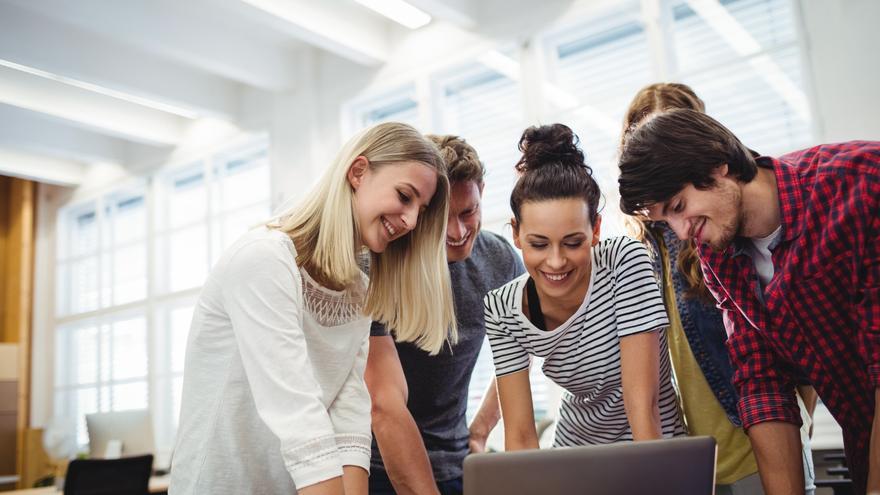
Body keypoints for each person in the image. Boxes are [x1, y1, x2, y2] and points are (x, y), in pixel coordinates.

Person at [170, 122, 457, 495]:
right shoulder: (264, 260)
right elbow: (296, 413)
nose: (412, 221)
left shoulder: (360, 290)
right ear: (358, 172)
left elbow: (348, 416)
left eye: (421, 209)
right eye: (405, 196)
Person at [618, 109, 880, 494]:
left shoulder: (861, 184)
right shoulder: (717, 257)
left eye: (678, 206)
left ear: (717, 164)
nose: (682, 231)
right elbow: (761, 382)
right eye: (665, 221)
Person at [484, 123, 685, 452]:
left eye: (572, 242)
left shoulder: (624, 261)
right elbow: (520, 435)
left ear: (595, 229)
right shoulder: (503, 309)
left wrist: (655, 478)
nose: (556, 261)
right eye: (538, 244)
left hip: (654, 449)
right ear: (517, 234)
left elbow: (643, 405)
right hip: (575, 455)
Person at [365, 135, 524, 495]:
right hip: (378, 465)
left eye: (469, 212)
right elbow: (383, 404)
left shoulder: (501, 263)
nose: (457, 231)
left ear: (482, 190)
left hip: (455, 464)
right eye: (443, 219)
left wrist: (481, 431)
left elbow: (518, 354)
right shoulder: (383, 265)